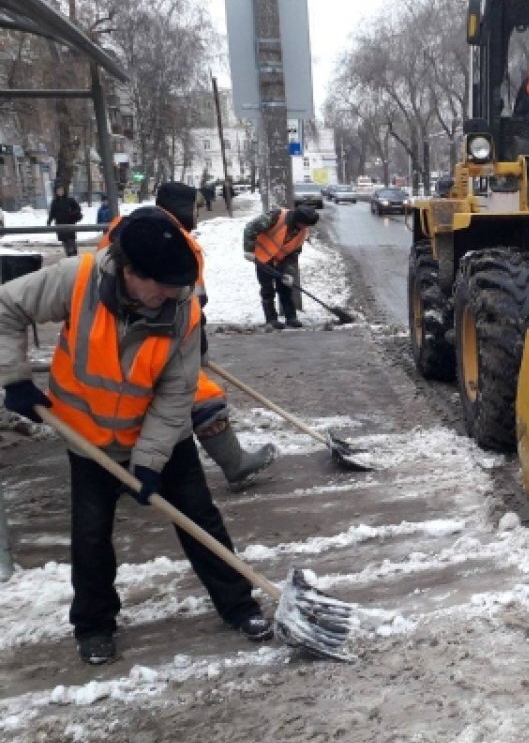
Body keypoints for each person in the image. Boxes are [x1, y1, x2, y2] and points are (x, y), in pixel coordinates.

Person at [0, 207, 272, 665]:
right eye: (162, 285)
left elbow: (175, 393)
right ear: (129, 271)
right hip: (89, 438)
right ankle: (93, 625)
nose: (172, 294)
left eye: (177, 286)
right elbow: (6, 306)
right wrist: (15, 378)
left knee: (200, 519)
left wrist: (149, 459)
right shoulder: (78, 278)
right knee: (90, 535)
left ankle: (240, 605)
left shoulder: (181, 308)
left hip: (161, 435)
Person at [103, 182, 278, 490]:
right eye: (196, 208)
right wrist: (196, 348)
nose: (197, 214)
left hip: (107, 334)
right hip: (154, 337)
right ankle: (235, 465)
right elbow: (190, 302)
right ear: (184, 207)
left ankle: (123, 470)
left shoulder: (122, 226)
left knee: (138, 402)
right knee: (202, 396)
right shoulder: (179, 244)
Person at [242, 206, 319, 329]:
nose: (305, 227)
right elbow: (250, 228)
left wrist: (289, 272)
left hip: (281, 261)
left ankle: (291, 317)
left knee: (285, 288)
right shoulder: (276, 216)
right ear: (297, 219)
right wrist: (248, 250)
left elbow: (294, 252)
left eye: (307, 225)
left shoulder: (302, 232)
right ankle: (271, 319)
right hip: (262, 257)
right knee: (267, 289)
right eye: (303, 224)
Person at [47, 186, 83, 257]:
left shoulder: (70, 200)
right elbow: (52, 212)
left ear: (64, 191)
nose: (60, 192)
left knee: (71, 239)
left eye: (61, 190)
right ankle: (69, 254)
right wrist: (49, 221)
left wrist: (72, 213)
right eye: (58, 190)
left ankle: (74, 252)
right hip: (60, 223)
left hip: (70, 222)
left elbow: (78, 208)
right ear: (56, 192)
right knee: (64, 240)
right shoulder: (54, 202)